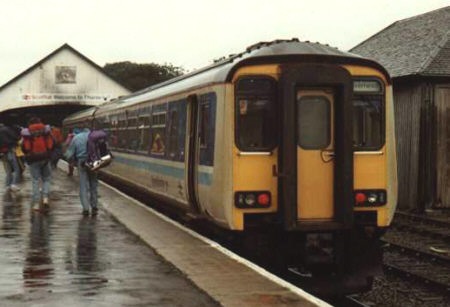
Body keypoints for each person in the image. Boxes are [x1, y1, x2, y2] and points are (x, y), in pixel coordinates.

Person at [21, 117, 54, 211]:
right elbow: (52, 144)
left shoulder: (27, 133)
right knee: (46, 179)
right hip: (45, 158)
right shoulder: (45, 131)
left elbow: (25, 148)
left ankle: (36, 203)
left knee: (35, 181)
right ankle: (45, 198)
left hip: (33, 158)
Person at [65, 127, 98, 216]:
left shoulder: (76, 138)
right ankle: (94, 205)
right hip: (94, 162)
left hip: (82, 162)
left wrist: (69, 160)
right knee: (93, 184)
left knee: (83, 185)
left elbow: (69, 154)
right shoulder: (94, 137)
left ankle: (86, 208)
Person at [0, 124, 22, 193]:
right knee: (17, 169)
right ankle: (13, 184)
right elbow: (15, 138)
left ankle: (7, 186)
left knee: (8, 171)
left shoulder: (2, 130)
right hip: (10, 151)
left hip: (2, 153)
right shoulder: (7, 130)